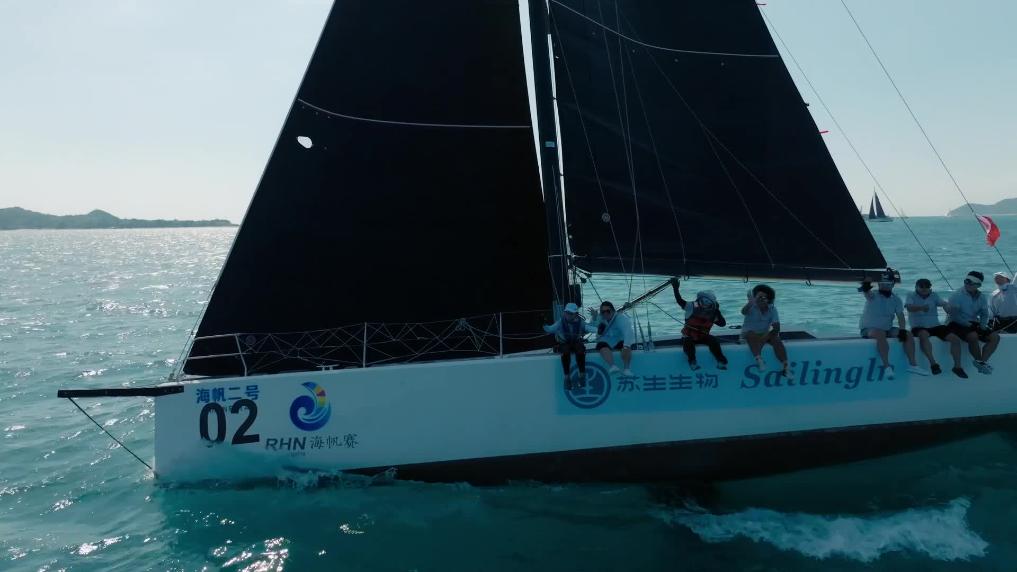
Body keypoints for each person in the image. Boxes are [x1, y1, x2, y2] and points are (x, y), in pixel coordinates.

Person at [858, 269, 928, 379]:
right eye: (882, 284)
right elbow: (867, 291)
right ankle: (887, 367)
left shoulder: (896, 299)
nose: (884, 286)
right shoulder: (873, 295)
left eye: (888, 284)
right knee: (880, 334)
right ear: (879, 284)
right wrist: (866, 283)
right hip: (869, 329)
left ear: (892, 285)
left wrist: (902, 330)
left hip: (887, 329)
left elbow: (900, 317)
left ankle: (913, 365)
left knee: (908, 334)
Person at [905, 278, 966, 378]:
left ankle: (957, 367)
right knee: (923, 335)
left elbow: (943, 303)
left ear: (930, 288)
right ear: (916, 287)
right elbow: (909, 307)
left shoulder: (934, 295)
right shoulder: (911, 295)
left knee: (955, 339)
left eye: (927, 287)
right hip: (919, 326)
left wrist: (947, 307)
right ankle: (933, 363)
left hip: (935, 326)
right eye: (921, 286)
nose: (924, 289)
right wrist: (921, 308)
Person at [947, 271, 1000, 374]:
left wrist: (983, 325)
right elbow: (954, 315)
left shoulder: (982, 297)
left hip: (973, 323)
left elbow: (984, 314)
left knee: (995, 337)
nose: (967, 284)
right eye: (966, 281)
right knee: (973, 336)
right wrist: (967, 324)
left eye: (970, 283)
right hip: (956, 323)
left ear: (978, 285)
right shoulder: (956, 295)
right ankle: (980, 362)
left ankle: (982, 362)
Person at [670, 278, 728, 371]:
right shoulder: (691, 307)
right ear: (699, 300)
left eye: (708, 302)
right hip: (689, 336)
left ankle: (721, 361)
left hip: (703, 337)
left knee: (713, 340)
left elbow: (722, 324)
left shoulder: (713, 312)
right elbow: (680, 301)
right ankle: (692, 361)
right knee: (688, 343)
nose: (705, 304)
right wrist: (675, 288)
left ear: (712, 303)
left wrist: (717, 311)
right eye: (703, 301)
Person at [543, 302, 596, 390]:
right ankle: (567, 377)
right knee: (565, 352)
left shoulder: (581, 323)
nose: (568, 315)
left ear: (576, 314)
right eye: (567, 312)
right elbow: (550, 329)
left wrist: (597, 323)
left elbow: (591, 328)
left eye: (571, 313)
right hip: (564, 343)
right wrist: (543, 324)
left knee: (580, 351)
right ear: (564, 313)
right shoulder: (560, 322)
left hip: (576, 342)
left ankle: (582, 375)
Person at [741, 284, 789, 377]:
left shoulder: (772, 309)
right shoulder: (751, 306)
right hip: (748, 334)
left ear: (769, 300)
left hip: (763, 334)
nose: (761, 299)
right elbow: (743, 311)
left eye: (764, 297)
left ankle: (785, 365)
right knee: (750, 334)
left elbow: (777, 328)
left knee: (776, 338)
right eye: (758, 297)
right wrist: (750, 302)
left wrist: (765, 337)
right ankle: (759, 360)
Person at [592, 301, 634, 376]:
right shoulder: (600, 317)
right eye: (603, 312)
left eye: (608, 311)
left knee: (626, 346)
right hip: (606, 341)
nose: (605, 314)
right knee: (601, 345)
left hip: (619, 339)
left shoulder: (620, 318)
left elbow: (628, 331)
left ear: (613, 310)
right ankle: (613, 366)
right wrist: (594, 318)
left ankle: (626, 369)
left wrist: (626, 345)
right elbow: (592, 326)